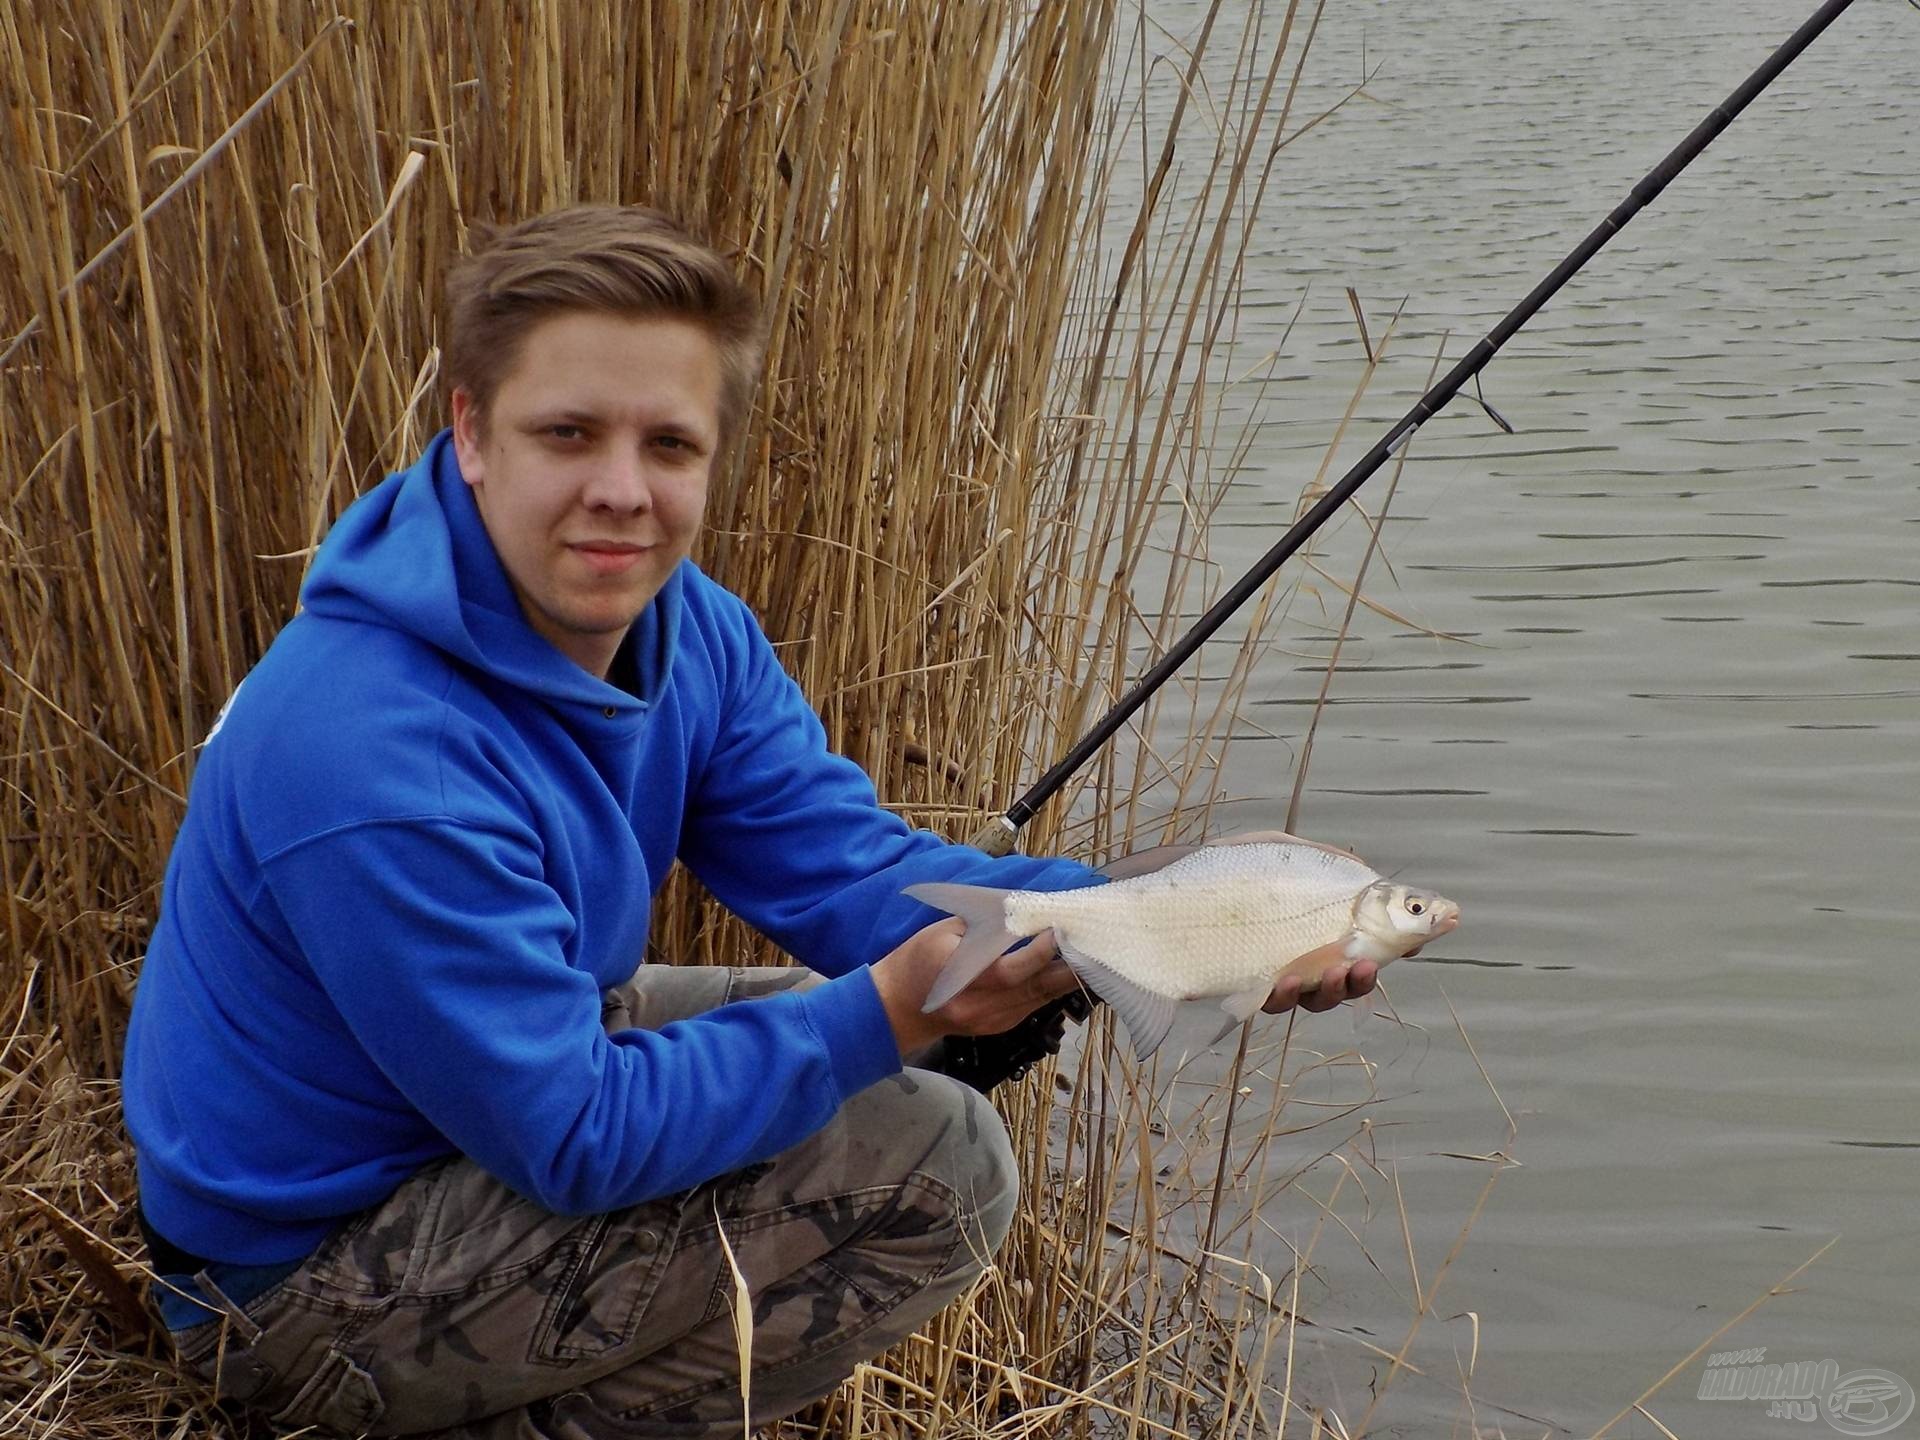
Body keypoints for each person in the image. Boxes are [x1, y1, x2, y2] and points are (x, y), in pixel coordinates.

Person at [121, 204, 1377, 1438]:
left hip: (476, 1112)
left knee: (862, 1050)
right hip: (296, 1286)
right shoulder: (373, 752)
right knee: (936, 1166)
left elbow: (845, 870)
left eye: (669, 446)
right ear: (471, 433)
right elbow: (574, 1133)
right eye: (568, 433)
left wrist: (1147, 922)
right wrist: (891, 1012)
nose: (621, 492)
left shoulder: (685, 629)